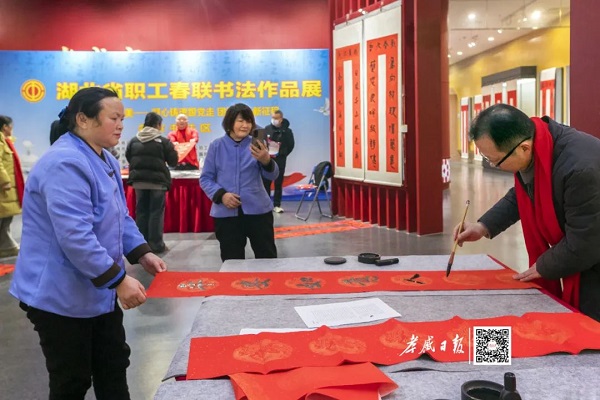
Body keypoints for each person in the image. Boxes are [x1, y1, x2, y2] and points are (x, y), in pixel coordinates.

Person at [9, 87, 167, 400]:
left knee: (113, 365)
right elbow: (75, 236)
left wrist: (142, 253)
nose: (120, 125)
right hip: (59, 294)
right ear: (83, 119)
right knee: (72, 379)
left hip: (97, 291)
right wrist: (119, 281)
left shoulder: (105, 159)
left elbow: (119, 216)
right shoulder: (65, 162)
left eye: (122, 119)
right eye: (113, 118)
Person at [454, 103, 600, 322]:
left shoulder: (579, 169)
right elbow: (522, 194)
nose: (493, 165)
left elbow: (585, 242)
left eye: (495, 161)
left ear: (523, 148)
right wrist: (482, 226)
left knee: (588, 324)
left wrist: (544, 266)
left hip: (593, 257)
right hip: (587, 248)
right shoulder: (541, 146)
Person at [200, 103, 279, 261]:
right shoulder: (216, 146)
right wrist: (221, 195)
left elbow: (272, 175)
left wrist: (266, 161)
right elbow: (205, 178)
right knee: (232, 261)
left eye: (248, 121)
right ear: (230, 123)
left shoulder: (256, 145)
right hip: (227, 213)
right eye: (241, 121)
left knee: (267, 258)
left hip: (258, 211)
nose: (245, 125)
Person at [126, 112, 178, 254]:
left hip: (138, 182)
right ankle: (156, 245)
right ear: (158, 125)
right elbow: (173, 161)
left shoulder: (134, 140)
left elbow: (129, 157)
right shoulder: (163, 141)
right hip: (157, 183)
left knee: (141, 212)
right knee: (156, 213)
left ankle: (141, 246)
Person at [0, 115, 24, 258]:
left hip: (7, 189)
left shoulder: (6, 142)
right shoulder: (1, 143)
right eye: (11, 126)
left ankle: (6, 246)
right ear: (5, 127)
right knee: (4, 218)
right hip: (4, 188)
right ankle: (6, 246)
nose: (12, 129)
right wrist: (4, 180)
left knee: (6, 218)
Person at [262, 109, 295, 213]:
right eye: (272, 118)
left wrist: (283, 154)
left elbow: (291, 145)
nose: (274, 120)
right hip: (268, 160)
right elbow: (262, 143)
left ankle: (277, 205)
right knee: (266, 183)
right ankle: (266, 204)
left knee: (278, 183)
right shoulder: (267, 129)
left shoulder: (287, 131)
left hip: (280, 160)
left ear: (281, 119)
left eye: (276, 118)